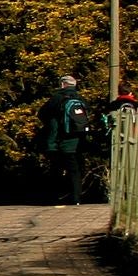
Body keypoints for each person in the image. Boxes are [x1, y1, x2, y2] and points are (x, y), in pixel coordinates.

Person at [39, 75, 94, 204]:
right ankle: (76, 199)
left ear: (63, 84)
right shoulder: (81, 99)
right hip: (79, 141)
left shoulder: (57, 98)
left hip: (59, 141)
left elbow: (41, 114)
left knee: (56, 169)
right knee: (75, 170)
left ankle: (55, 197)